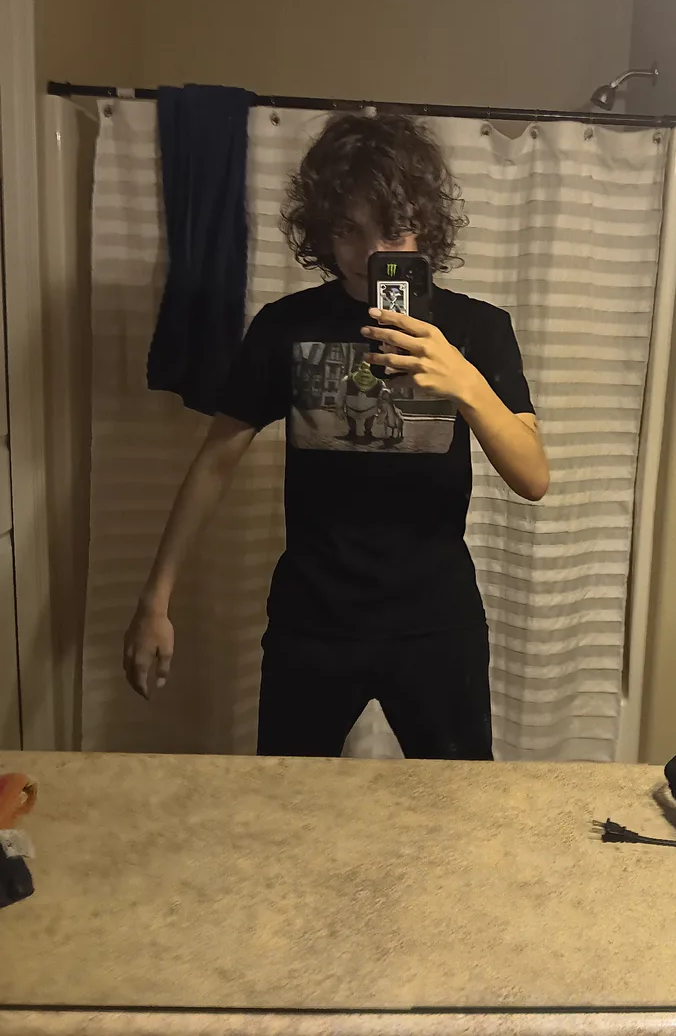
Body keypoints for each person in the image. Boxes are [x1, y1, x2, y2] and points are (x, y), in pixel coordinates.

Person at [122, 112, 549, 760]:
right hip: (312, 621)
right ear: (323, 229)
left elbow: (533, 477)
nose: (370, 254)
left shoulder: (478, 329)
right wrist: (155, 599)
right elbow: (215, 462)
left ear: (425, 225)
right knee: (289, 803)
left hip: (436, 622)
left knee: (460, 806)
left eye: (392, 229)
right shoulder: (284, 327)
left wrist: (464, 380)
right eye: (349, 229)